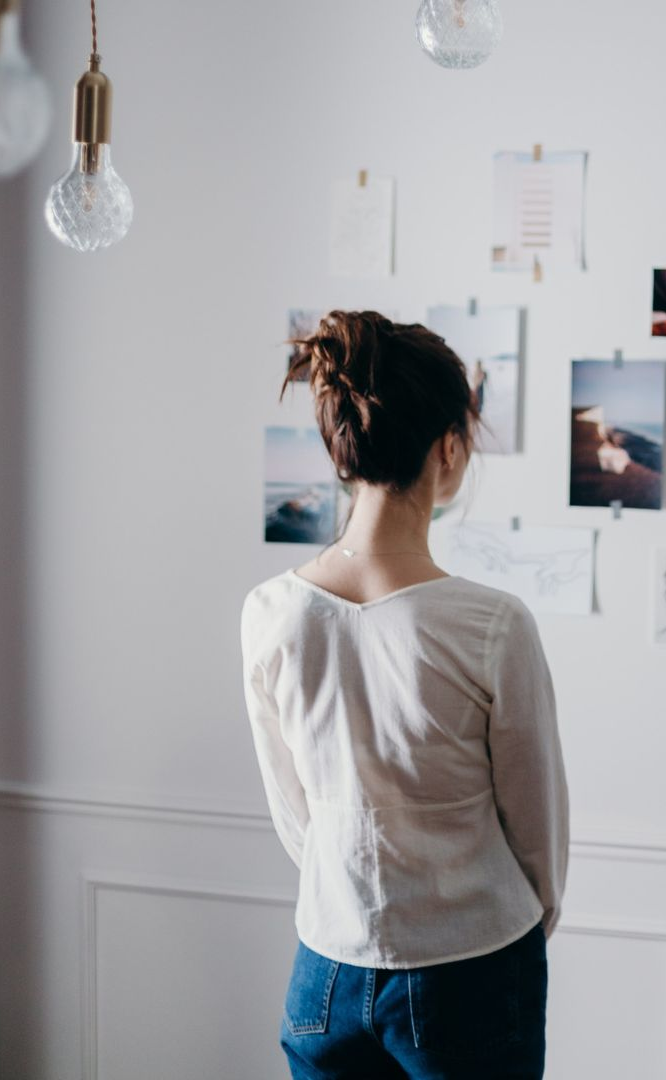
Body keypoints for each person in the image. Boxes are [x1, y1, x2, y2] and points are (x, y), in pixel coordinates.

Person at [240, 310, 569, 1080]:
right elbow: (537, 833)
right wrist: (516, 932)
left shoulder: (270, 612)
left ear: (342, 449)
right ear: (449, 448)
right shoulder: (492, 625)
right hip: (472, 965)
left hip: (323, 969)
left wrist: (355, 901)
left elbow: (299, 818)